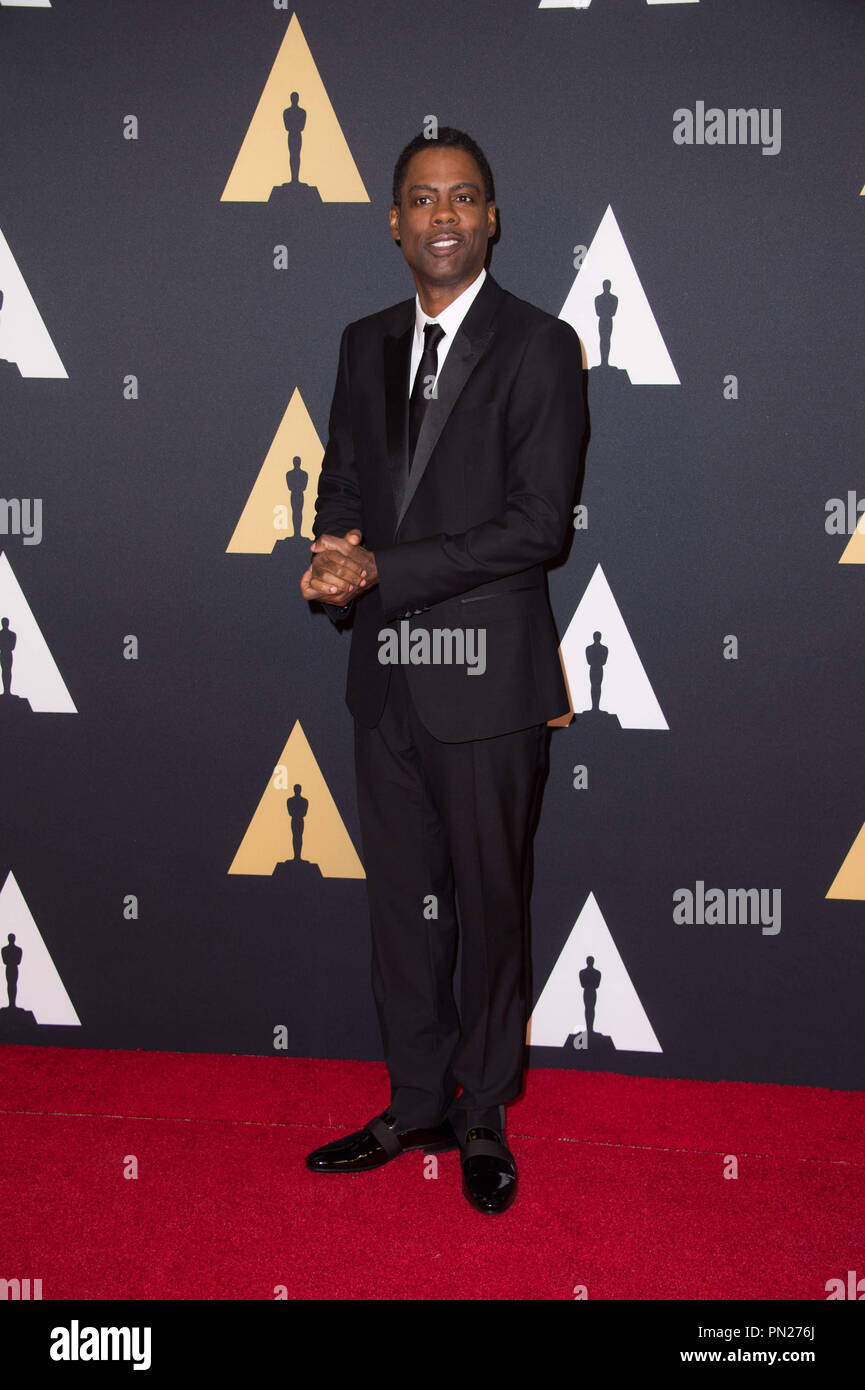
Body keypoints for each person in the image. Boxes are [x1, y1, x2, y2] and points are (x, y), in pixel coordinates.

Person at [299, 127, 585, 1213]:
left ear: (492, 217)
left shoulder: (540, 346)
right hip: (386, 682)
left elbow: (537, 527)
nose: (444, 216)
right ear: (393, 220)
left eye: (465, 197)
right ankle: (415, 1099)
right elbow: (343, 485)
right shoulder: (361, 340)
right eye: (423, 199)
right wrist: (333, 559)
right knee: (403, 909)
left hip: (490, 682)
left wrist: (386, 567)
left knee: (490, 904)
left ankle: (482, 1117)